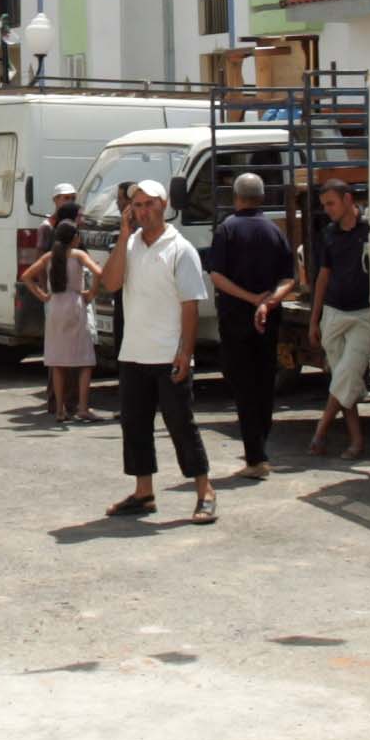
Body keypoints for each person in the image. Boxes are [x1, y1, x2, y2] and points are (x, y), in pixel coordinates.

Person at [94, 177, 215, 523]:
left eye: (149, 204)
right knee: (135, 426)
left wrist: (184, 353)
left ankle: (205, 491)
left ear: (163, 205)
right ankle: (143, 492)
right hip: (133, 352)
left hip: (167, 354)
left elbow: (190, 306)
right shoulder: (130, 245)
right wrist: (122, 234)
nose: (143, 211)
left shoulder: (181, 249)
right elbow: (112, 282)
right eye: (137, 205)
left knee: (181, 426)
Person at [204, 171, 296, 480]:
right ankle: (260, 447)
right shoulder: (274, 231)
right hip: (267, 320)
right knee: (264, 383)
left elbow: (216, 276)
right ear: (262, 197)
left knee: (242, 385)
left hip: (236, 319)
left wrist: (250, 299)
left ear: (236, 197)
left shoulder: (227, 229)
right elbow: (289, 278)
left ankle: (256, 457)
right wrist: (268, 302)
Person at [304, 175, 370, 460]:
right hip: (334, 312)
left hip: (363, 315)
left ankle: (320, 432)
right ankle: (356, 441)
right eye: (324, 205)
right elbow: (323, 276)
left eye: (331, 204)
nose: (328, 210)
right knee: (343, 378)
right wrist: (315, 319)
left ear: (348, 200)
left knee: (346, 375)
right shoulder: (330, 234)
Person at [23, 214, 96, 425]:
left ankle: (60, 410)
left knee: (57, 361)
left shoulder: (49, 256)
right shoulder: (79, 255)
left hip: (55, 305)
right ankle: (83, 407)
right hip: (74, 304)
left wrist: (43, 296)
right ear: (74, 237)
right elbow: (99, 272)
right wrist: (90, 292)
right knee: (84, 360)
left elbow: (27, 276)